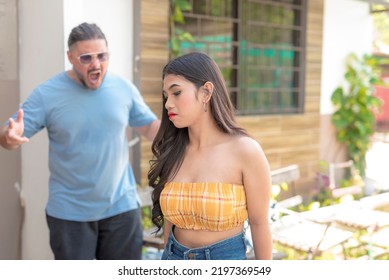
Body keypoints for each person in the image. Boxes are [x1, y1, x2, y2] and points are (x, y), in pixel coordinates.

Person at [0, 22, 160, 260]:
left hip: (121, 208)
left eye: (102, 56)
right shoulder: (47, 94)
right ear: (70, 57)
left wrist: (187, 137)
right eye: (86, 58)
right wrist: (9, 137)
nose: (96, 64)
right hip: (69, 215)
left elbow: (148, 126)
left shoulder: (123, 88)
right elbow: (9, 136)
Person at [148, 52, 272, 260]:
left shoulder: (245, 151)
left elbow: (259, 224)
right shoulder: (173, 151)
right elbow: (170, 224)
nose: (168, 103)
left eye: (176, 93)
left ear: (206, 92)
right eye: (166, 96)